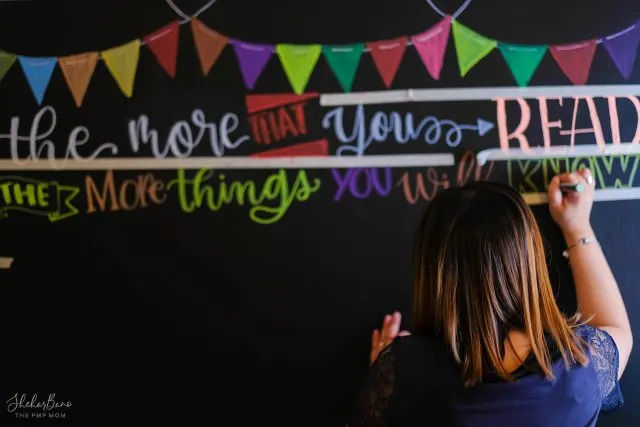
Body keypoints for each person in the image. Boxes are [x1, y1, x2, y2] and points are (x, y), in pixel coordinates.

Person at [347, 169, 633, 427]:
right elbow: (618, 331)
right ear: (528, 260)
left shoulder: (403, 372)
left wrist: (386, 381)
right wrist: (577, 227)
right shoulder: (580, 367)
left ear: (432, 271)